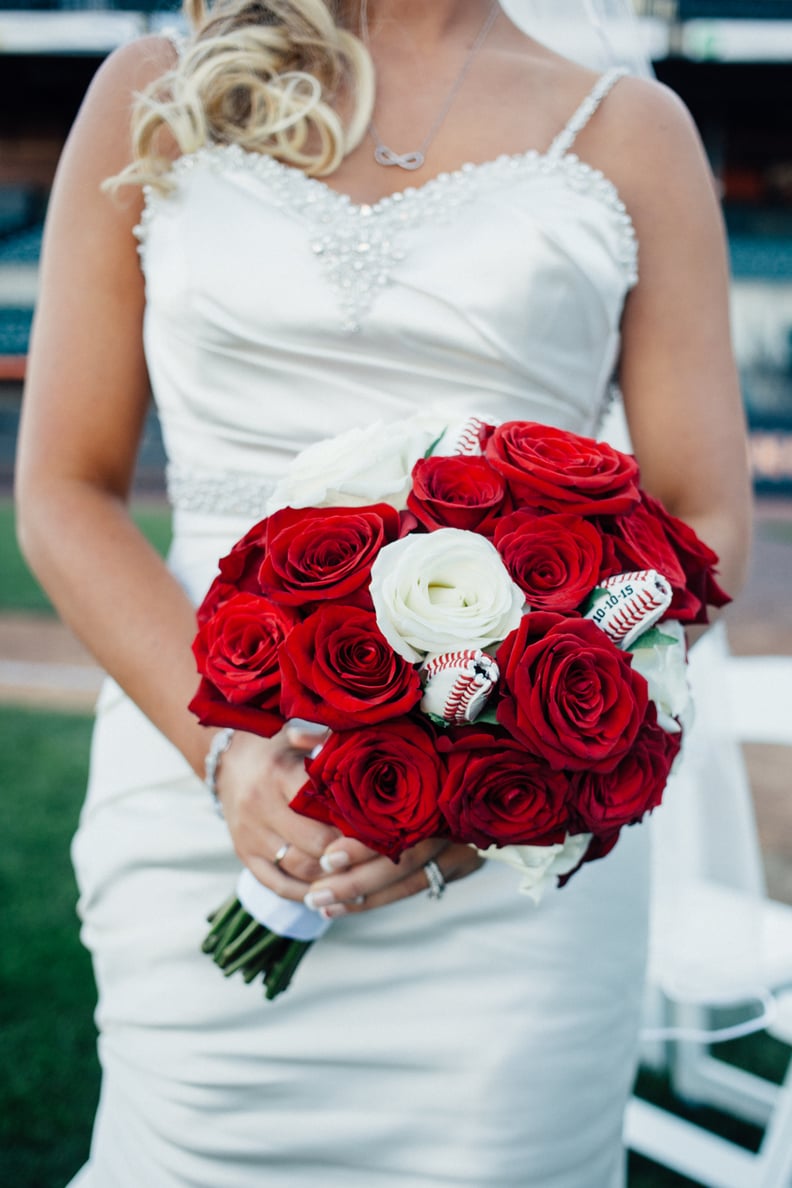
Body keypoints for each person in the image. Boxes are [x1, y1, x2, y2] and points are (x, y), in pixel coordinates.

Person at [15, 1, 751, 1184]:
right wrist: (229, 758)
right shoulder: (153, 87)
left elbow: (704, 521)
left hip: (512, 872)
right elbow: (63, 487)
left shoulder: (632, 132)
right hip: (193, 792)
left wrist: (485, 779)